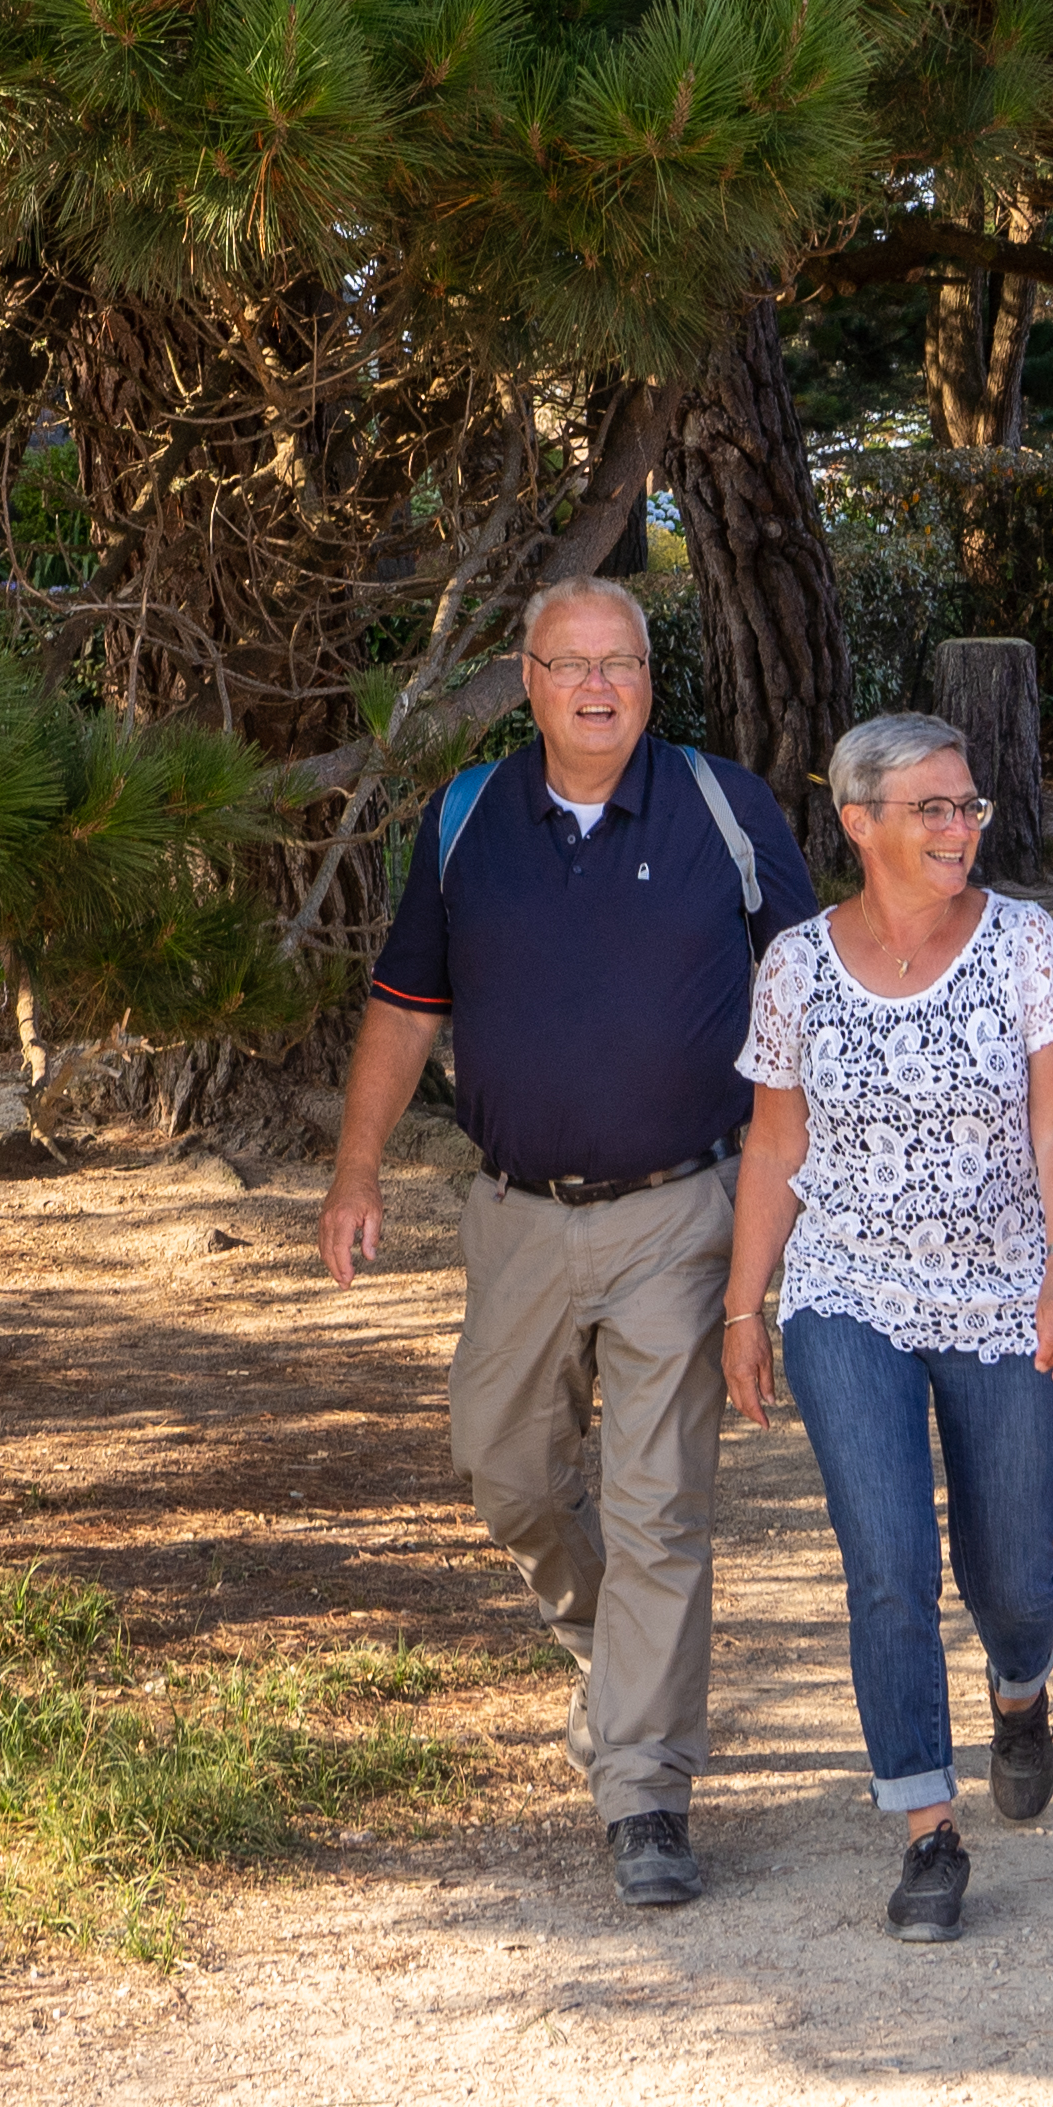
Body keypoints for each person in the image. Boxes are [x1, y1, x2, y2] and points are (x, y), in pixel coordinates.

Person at [318, 576, 818, 1911]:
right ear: (528, 680)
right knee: (505, 1472)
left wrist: (810, 1205)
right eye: (570, 664)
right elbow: (405, 1005)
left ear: (654, 679)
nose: (599, 686)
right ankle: (618, 1652)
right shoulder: (470, 817)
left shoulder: (729, 809)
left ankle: (645, 1788)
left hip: (685, 1214)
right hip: (516, 1217)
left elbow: (814, 1007)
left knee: (662, 1510)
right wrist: (356, 1172)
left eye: (623, 664)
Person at [721, 705, 1053, 1946]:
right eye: (932, 808)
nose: (960, 827)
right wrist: (746, 1303)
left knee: (1014, 1575)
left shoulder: (1025, 945)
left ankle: (1021, 1685)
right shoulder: (795, 965)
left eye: (969, 804)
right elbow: (776, 1144)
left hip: (1006, 1294)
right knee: (886, 1560)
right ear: (858, 821)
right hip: (846, 1294)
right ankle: (926, 1830)